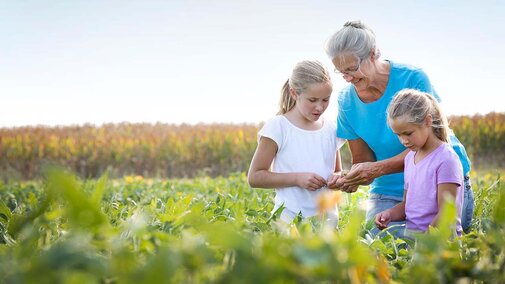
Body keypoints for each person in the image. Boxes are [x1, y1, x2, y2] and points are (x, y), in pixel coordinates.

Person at [324, 20, 473, 234]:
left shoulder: (413, 78)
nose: (347, 78)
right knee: (375, 241)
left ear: (373, 54)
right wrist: (352, 177)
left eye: (352, 69)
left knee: (431, 237)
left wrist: (377, 169)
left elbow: (432, 145)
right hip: (389, 190)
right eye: (341, 72)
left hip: (439, 182)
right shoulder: (346, 101)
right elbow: (363, 161)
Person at [247, 60, 346, 227]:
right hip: (289, 221)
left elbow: (336, 170)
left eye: (325, 100)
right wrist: (297, 178)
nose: (320, 107)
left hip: (327, 223)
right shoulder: (278, 127)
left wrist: (337, 179)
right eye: (312, 100)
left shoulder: (330, 129)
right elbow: (255, 177)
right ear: (294, 93)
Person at [375, 89, 464, 236]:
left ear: (428, 121)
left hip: (440, 243)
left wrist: (424, 244)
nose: (404, 141)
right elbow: (408, 205)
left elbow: (447, 214)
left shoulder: (446, 159)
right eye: (398, 135)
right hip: (415, 240)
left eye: (408, 133)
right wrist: (390, 213)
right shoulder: (410, 158)